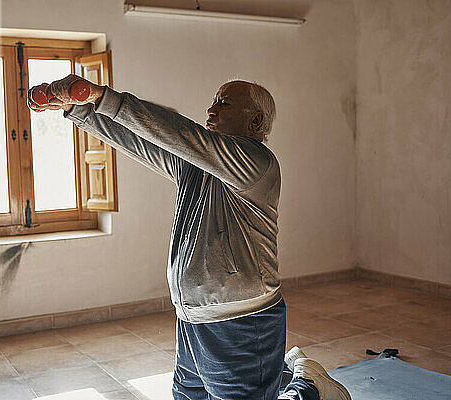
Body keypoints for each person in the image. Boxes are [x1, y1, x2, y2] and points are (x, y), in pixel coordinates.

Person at [28, 75, 351, 400]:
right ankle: (290, 376)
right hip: (193, 316)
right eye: (213, 101)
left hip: (241, 321)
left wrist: (102, 98)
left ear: (255, 120)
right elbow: (144, 142)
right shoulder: (197, 166)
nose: (211, 110)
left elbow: (181, 133)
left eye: (224, 103)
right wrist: (81, 111)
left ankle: (307, 386)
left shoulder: (257, 162)